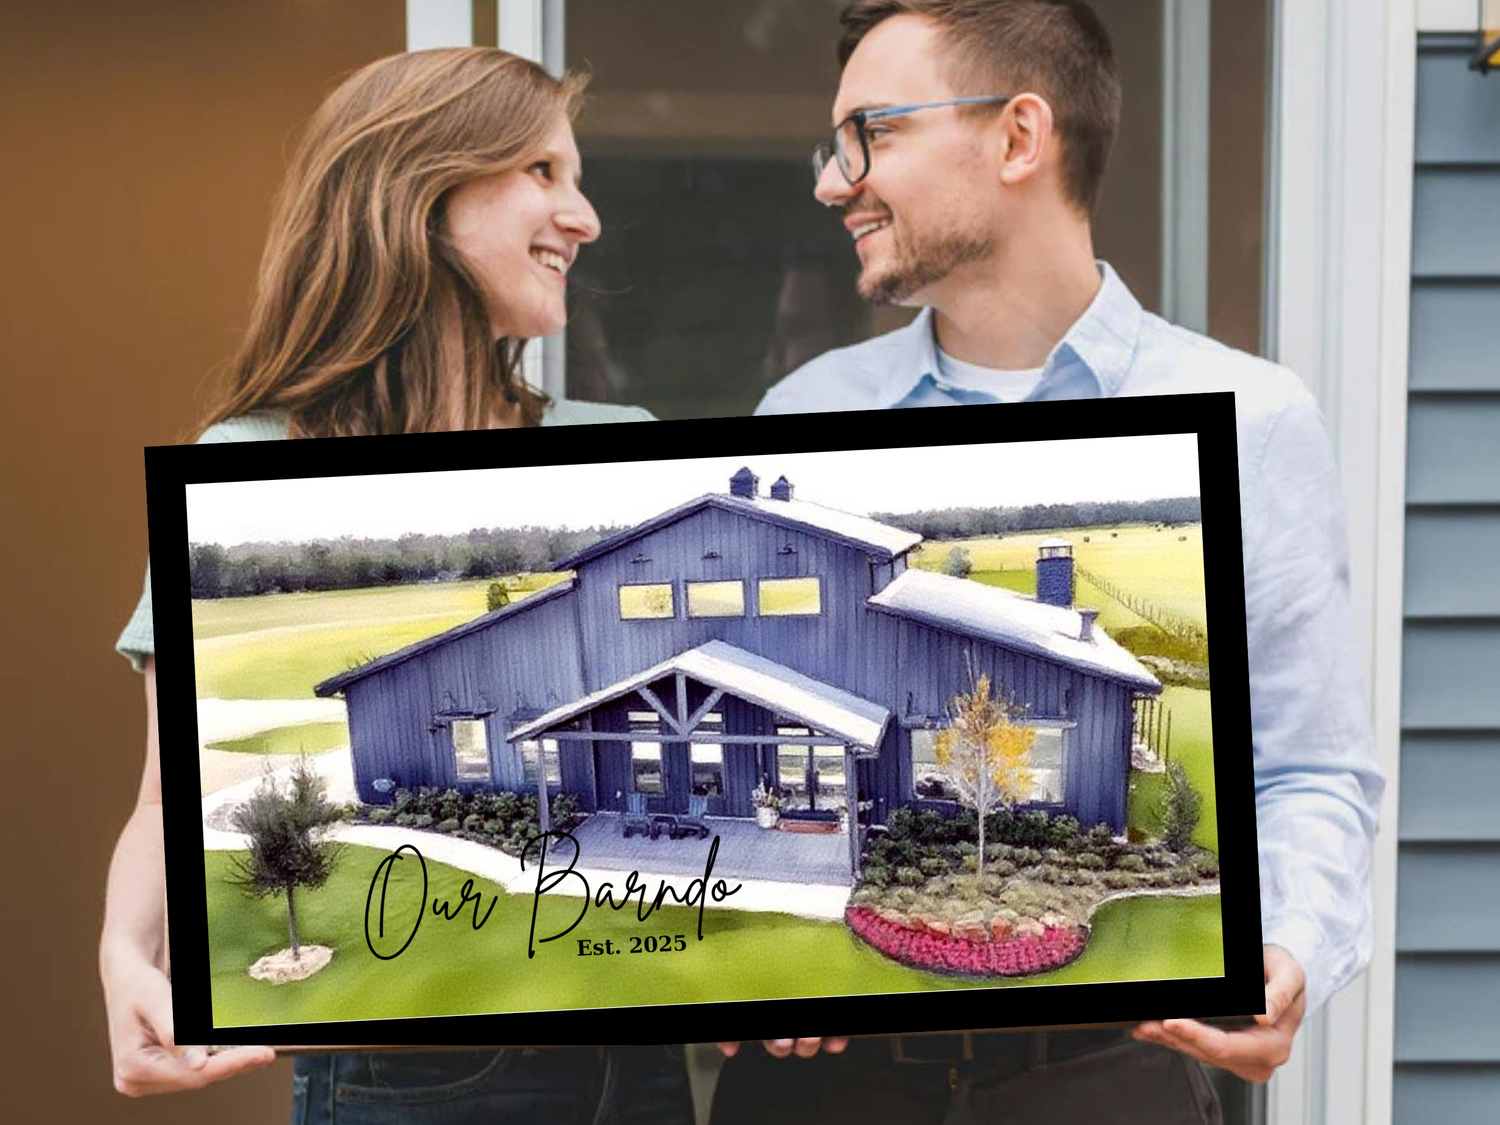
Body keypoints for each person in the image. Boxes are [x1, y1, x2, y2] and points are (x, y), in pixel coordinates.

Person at [718, 1, 1384, 1121]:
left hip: (1112, 1079)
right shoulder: (804, 414)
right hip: (827, 1091)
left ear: (1019, 137)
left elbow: (1308, 769)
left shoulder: (1251, 419)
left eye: (872, 134)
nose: (835, 183)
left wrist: (1288, 948)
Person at [103, 46, 695, 1125]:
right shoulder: (246, 470)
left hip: (633, 1065)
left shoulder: (620, 448)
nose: (585, 217)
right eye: (543, 172)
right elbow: (168, 797)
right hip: (400, 1080)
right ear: (419, 190)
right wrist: (123, 957)